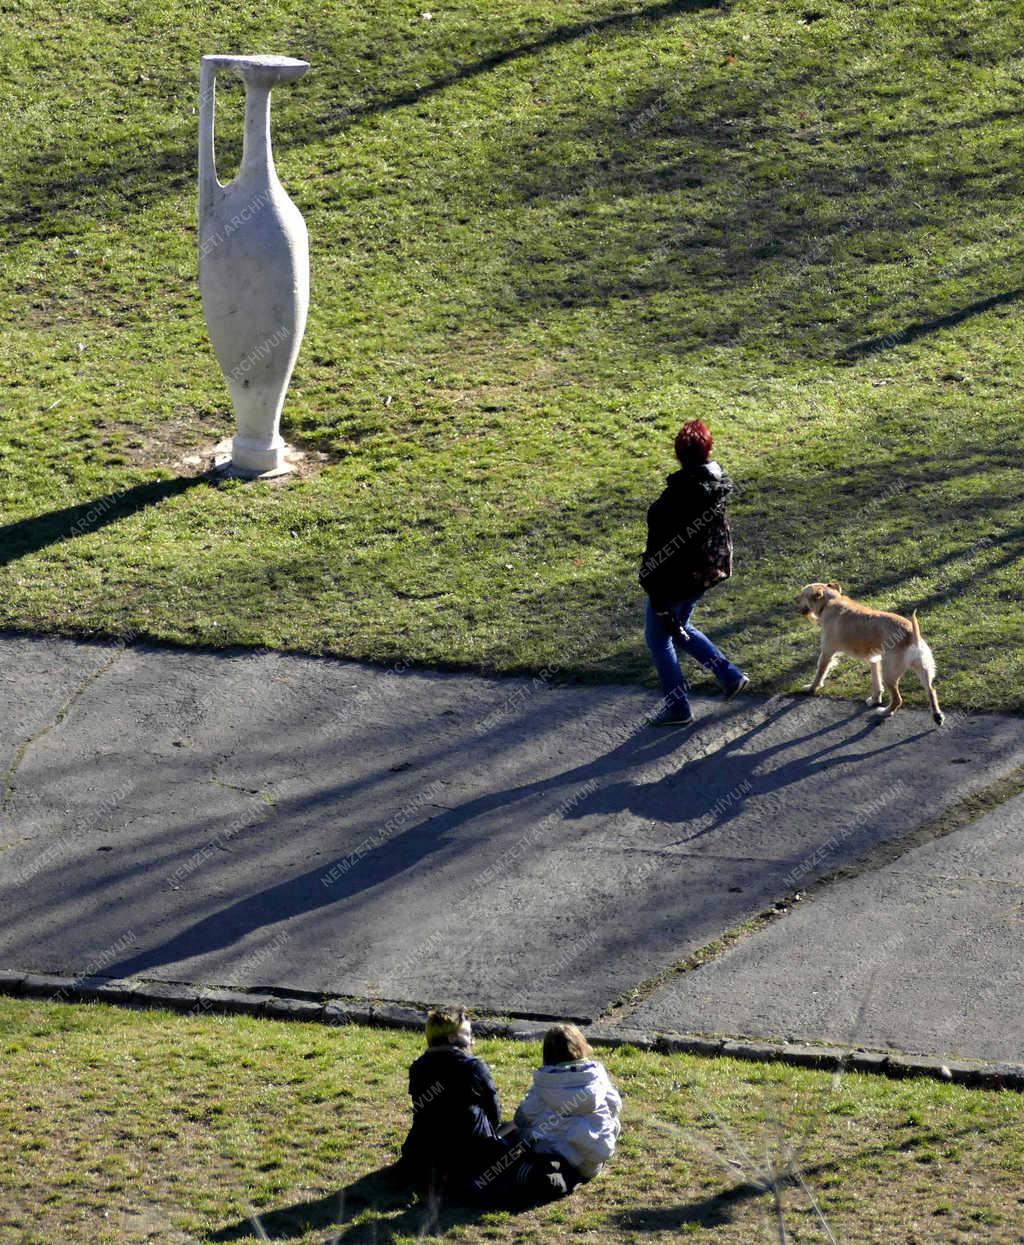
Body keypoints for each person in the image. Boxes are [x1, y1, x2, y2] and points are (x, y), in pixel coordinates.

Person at [638, 419, 749, 725]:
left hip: (671, 583)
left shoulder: (671, 503)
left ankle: (678, 708)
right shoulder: (715, 487)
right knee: (682, 627)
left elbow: (659, 556)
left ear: (679, 455)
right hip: (701, 576)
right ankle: (729, 675)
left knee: (659, 640)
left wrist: (657, 598)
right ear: (708, 450)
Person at [400, 1006, 568, 1204]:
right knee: (516, 1126)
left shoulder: (418, 1066)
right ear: (453, 1038)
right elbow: (494, 1113)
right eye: (468, 1034)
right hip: (470, 1154)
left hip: (424, 1151)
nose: (472, 1040)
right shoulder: (472, 1066)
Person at [513, 1023, 622, 1190]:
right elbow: (615, 1106)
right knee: (614, 1122)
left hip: (552, 1156)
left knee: (529, 1129)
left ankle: (554, 1173)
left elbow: (522, 1117)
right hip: (591, 1160)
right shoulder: (597, 1078)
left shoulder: (543, 1084)